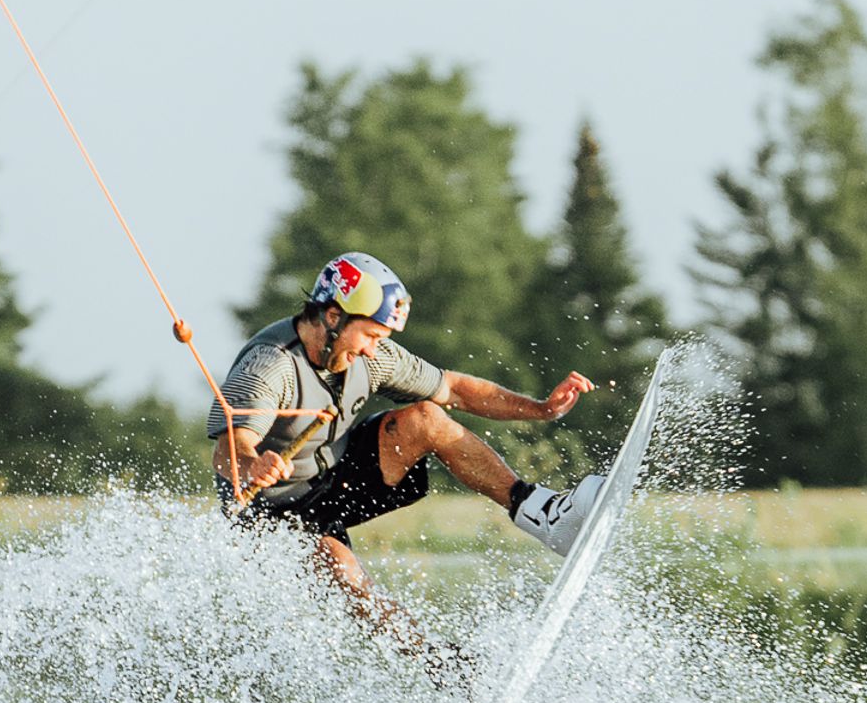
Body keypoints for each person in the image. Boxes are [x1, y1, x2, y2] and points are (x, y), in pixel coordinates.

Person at [210, 253, 603, 642]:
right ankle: (443, 664)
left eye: (381, 339)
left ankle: (543, 514)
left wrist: (540, 409)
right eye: (371, 335)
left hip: (333, 481)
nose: (372, 349)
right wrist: (253, 464)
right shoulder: (270, 366)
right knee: (342, 569)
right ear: (333, 317)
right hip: (273, 514)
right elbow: (229, 450)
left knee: (426, 418)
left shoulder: (372, 356)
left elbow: (455, 389)